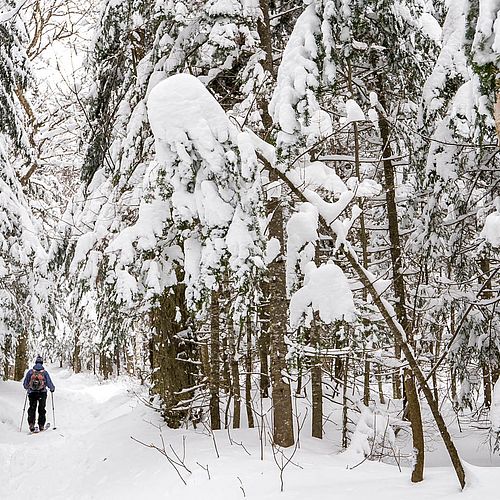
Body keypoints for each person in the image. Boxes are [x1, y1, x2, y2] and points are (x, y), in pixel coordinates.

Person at [23, 355, 55, 432]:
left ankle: (31, 424)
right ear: (42, 363)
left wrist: (28, 388)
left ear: (36, 362)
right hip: (42, 393)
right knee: (41, 409)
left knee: (32, 408)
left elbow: (25, 384)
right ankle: (41, 425)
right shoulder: (44, 373)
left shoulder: (30, 372)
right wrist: (52, 388)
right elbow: (49, 383)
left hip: (32, 393)